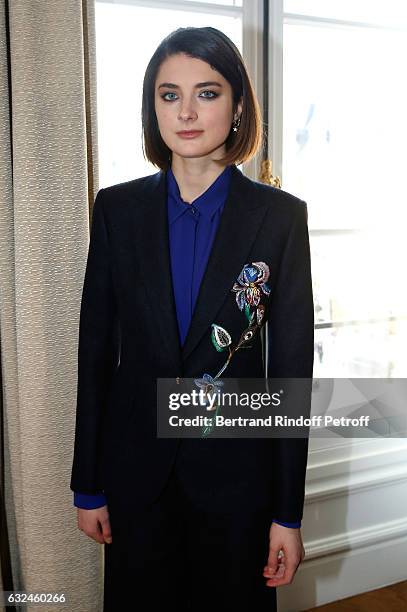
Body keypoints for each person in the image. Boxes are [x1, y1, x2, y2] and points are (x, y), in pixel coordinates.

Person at [70, 26, 314, 611]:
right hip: (136, 478)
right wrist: (87, 483)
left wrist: (287, 513)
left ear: (236, 108)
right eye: (168, 94)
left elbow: (290, 374)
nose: (185, 112)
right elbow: (96, 351)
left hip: (239, 484)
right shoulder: (117, 211)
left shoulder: (280, 219)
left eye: (206, 93)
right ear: (153, 108)